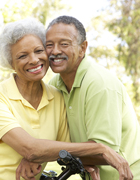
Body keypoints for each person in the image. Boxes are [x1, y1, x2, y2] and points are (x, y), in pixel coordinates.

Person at [0, 18, 132, 180]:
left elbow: (64, 149)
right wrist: (100, 149)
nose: (34, 60)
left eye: (39, 50)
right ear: (11, 63)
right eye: (22, 56)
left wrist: (36, 155)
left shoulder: (56, 96)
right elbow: (31, 148)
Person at [45, 16, 140, 180]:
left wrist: (39, 153)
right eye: (49, 45)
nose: (55, 51)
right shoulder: (55, 84)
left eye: (64, 44)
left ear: (83, 48)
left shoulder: (99, 84)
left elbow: (104, 152)